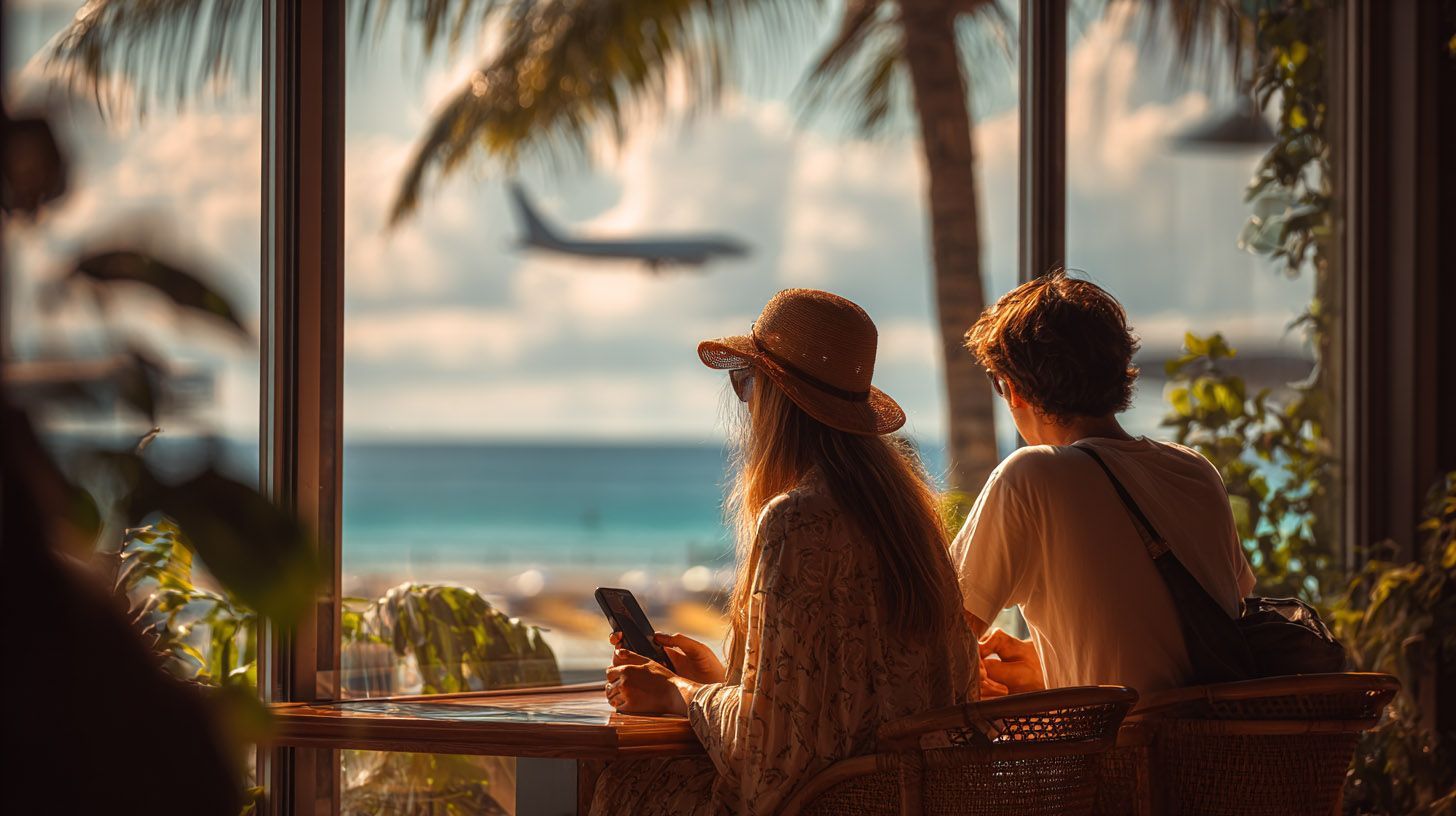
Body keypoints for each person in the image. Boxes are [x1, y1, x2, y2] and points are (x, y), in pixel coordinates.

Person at [590, 288, 978, 816]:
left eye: (746, 383)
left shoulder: (797, 520)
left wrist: (678, 693)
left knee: (626, 781)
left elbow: (770, 755)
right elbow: (830, 703)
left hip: (825, 804)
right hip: (912, 801)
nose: (745, 405)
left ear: (777, 399)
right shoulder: (910, 524)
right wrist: (718, 679)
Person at [953, 270, 1256, 696]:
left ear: (1015, 389)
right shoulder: (1195, 471)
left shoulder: (1031, 477)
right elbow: (1192, 638)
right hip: (1209, 754)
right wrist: (1049, 669)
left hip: (1107, 757)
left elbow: (937, 635)